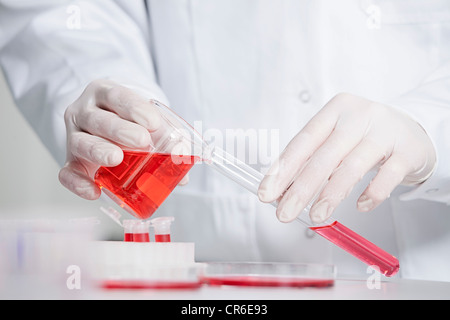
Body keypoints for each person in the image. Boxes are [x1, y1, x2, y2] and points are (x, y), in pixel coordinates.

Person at [1, 1, 449, 281]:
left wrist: (430, 126)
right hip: (212, 278)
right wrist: (114, 102)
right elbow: (61, 11)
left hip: (428, 269)